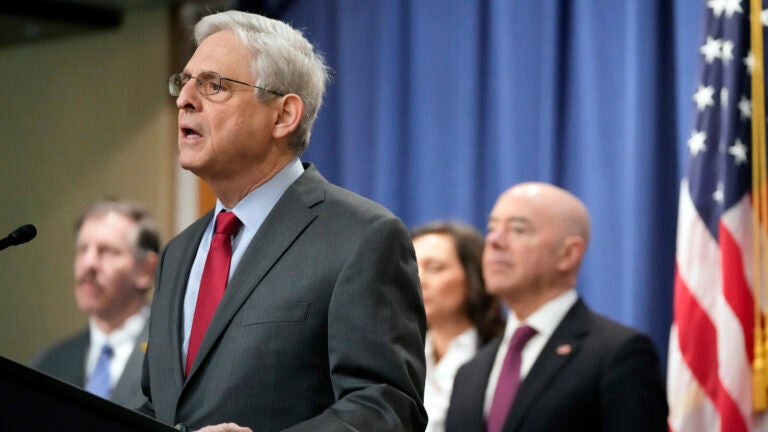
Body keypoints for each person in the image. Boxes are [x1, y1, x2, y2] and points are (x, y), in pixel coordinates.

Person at [139, 10, 427, 432]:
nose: (184, 100)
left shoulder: (362, 236)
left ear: (283, 115)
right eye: (183, 83)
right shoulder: (178, 254)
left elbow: (387, 406)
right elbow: (161, 407)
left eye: (213, 85)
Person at [445, 182, 668, 432]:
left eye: (518, 229)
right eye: (492, 228)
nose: (494, 241)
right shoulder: (469, 373)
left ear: (568, 254)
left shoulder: (617, 354)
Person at [33, 198, 160, 409]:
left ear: (146, 270)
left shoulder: (172, 355)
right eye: (83, 249)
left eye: (107, 250)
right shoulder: (50, 362)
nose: (88, 264)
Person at [411, 221, 505, 432]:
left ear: (472, 276)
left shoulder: (504, 353)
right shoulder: (399, 352)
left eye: (435, 268)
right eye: (411, 267)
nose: (418, 280)